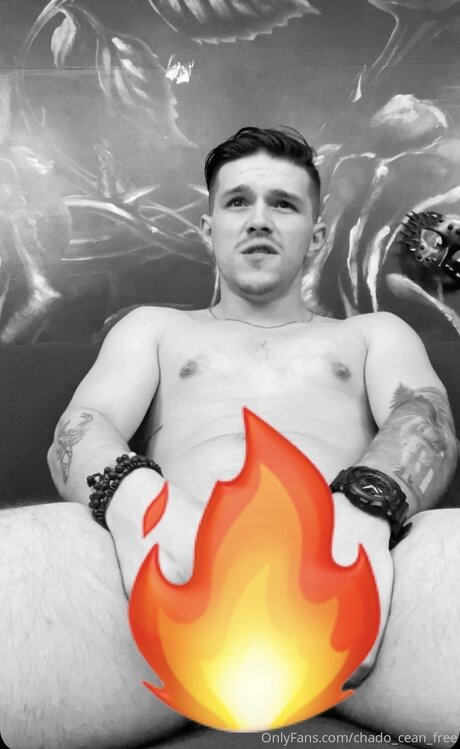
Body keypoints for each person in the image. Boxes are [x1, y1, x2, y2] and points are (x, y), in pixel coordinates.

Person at [1, 126, 458, 749]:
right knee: (24, 542)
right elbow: (82, 428)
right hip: (162, 583)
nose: (259, 219)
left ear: (317, 236)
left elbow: (424, 416)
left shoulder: (373, 333)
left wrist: (363, 510)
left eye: (284, 204)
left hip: (355, 590)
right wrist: (143, 507)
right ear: (207, 227)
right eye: (238, 201)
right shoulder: (153, 328)